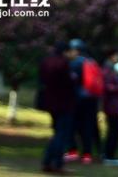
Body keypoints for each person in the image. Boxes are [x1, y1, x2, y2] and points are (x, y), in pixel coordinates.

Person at [39, 42, 76, 174]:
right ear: (65, 51)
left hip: (50, 102)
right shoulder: (63, 63)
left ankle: (48, 162)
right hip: (64, 103)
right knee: (61, 135)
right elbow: (68, 82)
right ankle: (57, 163)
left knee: (57, 133)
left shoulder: (46, 61)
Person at [65, 39, 101, 164]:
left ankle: (72, 152)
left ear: (76, 50)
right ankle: (87, 154)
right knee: (88, 126)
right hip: (92, 99)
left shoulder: (74, 63)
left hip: (77, 100)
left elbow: (71, 82)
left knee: (72, 125)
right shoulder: (92, 61)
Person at [101, 48, 118, 166]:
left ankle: (108, 154)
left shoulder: (114, 69)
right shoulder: (108, 69)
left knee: (115, 128)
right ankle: (109, 156)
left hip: (114, 104)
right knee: (115, 129)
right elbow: (108, 87)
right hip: (111, 105)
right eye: (117, 55)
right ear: (112, 56)